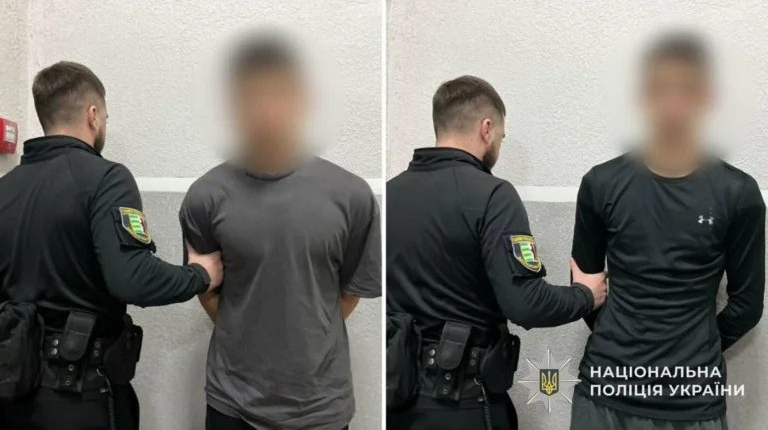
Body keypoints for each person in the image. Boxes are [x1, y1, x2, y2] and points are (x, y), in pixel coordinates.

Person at [0, 61, 224, 430]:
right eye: (104, 116)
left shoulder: (6, 187)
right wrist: (200, 275)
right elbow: (132, 278)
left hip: (14, 392)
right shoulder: (106, 179)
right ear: (92, 115)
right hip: (80, 396)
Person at [179, 34, 381, 430]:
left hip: (320, 409)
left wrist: (306, 341)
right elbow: (206, 289)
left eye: (278, 94)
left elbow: (349, 293)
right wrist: (250, 338)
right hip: (232, 404)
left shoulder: (351, 196)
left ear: (301, 100)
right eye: (252, 97)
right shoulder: (205, 197)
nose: (266, 110)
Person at [386, 75, 608, 430]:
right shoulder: (492, 195)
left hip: (398, 402)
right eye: (501, 137)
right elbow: (526, 304)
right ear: (486, 128)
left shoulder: (390, 194)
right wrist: (585, 295)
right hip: (463, 404)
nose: (498, 147)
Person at [569, 32, 765, 430]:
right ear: (643, 95)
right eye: (661, 89)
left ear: (706, 96)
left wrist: (697, 348)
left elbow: (747, 306)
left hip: (692, 404)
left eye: (686, 90)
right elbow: (584, 290)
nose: (673, 105)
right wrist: (620, 339)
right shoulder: (600, 184)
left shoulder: (738, 194)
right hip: (604, 394)